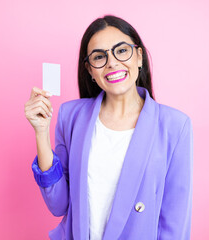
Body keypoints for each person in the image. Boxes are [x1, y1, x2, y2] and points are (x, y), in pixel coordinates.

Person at [24, 15, 193, 240]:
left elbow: (175, 221)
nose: (112, 62)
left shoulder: (175, 126)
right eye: (99, 56)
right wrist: (41, 132)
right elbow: (58, 205)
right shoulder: (70, 116)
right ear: (90, 70)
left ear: (139, 57)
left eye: (122, 51)